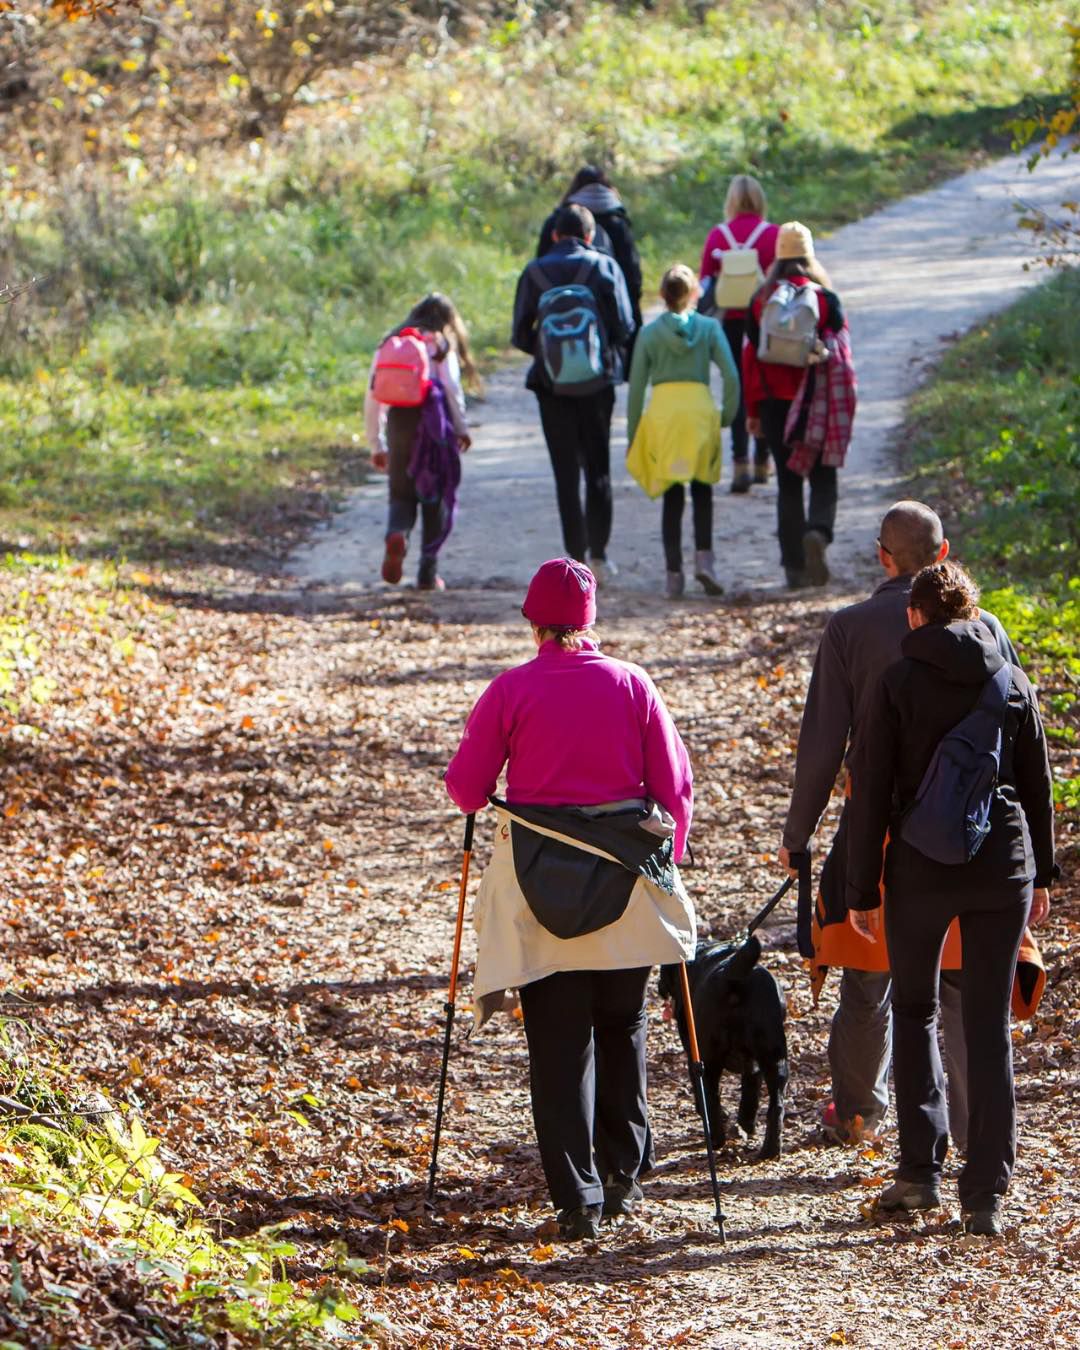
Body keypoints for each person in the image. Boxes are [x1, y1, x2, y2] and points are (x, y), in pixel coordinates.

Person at [777, 501, 1045, 1149]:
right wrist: (1035, 858)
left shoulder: (850, 628)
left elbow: (823, 742)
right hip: (978, 836)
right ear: (944, 552)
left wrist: (798, 833)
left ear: (882, 556)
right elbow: (1020, 744)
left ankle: (861, 1111)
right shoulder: (990, 631)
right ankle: (967, 1124)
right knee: (960, 989)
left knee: (871, 983)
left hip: (889, 834)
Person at [444, 559, 696, 1241]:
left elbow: (467, 791)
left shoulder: (510, 691)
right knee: (622, 1023)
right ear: (591, 621)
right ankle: (624, 1173)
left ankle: (576, 1198)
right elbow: (674, 789)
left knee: (558, 1042)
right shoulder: (632, 684)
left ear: (532, 622)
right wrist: (667, 865)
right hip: (624, 888)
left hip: (538, 889)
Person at [846, 560, 1056, 1235]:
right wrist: (1043, 875)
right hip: (1002, 866)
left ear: (914, 615)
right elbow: (1036, 781)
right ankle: (985, 1193)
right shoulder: (1008, 676)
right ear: (970, 612)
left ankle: (918, 1173)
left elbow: (870, 786)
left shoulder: (896, 682)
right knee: (988, 1027)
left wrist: (860, 888)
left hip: (920, 866)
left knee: (913, 1010)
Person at [512, 205, 636, 583]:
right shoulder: (603, 268)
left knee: (565, 473)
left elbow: (519, 335)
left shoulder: (534, 272)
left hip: (551, 388)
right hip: (598, 386)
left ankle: (575, 559)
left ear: (553, 235)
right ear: (589, 235)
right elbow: (624, 326)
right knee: (598, 469)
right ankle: (599, 556)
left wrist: (552, 355)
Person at [741, 222, 848, 588]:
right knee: (823, 474)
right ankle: (818, 531)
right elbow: (840, 355)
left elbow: (751, 359)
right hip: (814, 404)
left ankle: (794, 568)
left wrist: (752, 411)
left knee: (787, 485)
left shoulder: (760, 300)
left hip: (774, 405)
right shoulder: (825, 300)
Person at [626, 263, 739, 598]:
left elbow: (635, 388)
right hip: (700, 412)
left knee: (672, 496)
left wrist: (635, 433)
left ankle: (673, 574)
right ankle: (705, 562)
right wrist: (726, 416)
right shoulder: (709, 328)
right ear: (694, 293)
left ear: (661, 294)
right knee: (703, 490)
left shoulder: (648, 334)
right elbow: (731, 376)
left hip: (664, 415)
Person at [365, 292, 477, 591]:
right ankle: (427, 573)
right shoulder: (438, 344)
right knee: (435, 497)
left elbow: (372, 397)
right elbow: (452, 391)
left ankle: (397, 532)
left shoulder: (393, 341)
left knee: (401, 494)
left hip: (399, 424)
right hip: (433, 427)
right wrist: (461, 428)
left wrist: (376, 443)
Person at [697, 173, 778, 494]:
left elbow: (704, 282)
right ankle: (763, 458)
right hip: (764, 320)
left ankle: (740, 460)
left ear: (730, 201)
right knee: (764, 386)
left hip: (729, 322)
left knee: (737, 387)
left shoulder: (718, 235)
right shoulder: (772, 234)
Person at [538, 165, 644, 352]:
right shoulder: (617, 223)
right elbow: (632, 275)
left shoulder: (557, 221)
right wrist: (627, 328)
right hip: (603, 318)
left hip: (557, 318)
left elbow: (540, 265)